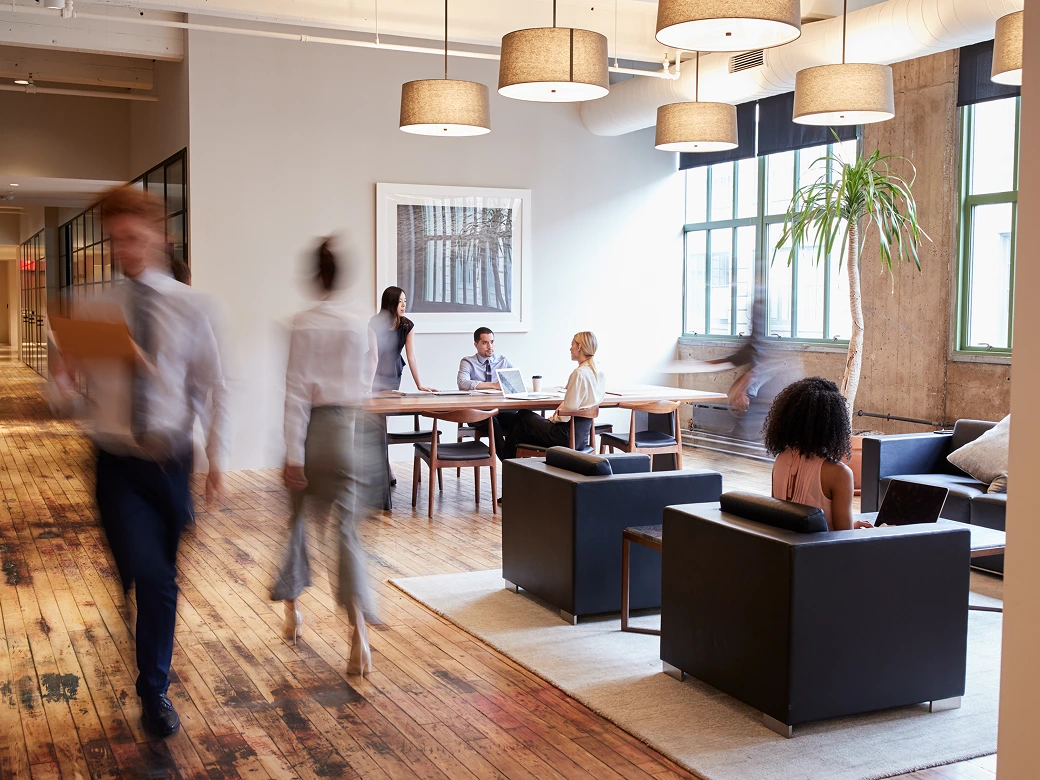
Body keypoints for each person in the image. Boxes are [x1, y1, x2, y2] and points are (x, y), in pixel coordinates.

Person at [51, 187, 228, 738]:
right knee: (150, 575)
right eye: (116, 239)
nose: (123, 248)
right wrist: (60, 377)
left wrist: (217, 457)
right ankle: (154, 691)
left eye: (133, 237)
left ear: (158, 236)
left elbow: (211, 386)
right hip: (117, 462)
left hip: (171, 463)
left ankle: (151, 673)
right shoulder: (92, 304)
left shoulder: (193, 305)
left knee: (157, 578)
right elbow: (65, 400)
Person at [271, 238, 375, 676]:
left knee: (297, 524)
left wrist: (293, 454)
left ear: (315, 277)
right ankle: (359, 637)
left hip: (315, 432)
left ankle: (293, 613)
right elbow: (366, 384)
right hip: (351, 433)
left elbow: (296, 392)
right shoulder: (359, 327)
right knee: (346, 533)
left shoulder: (301, 325)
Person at [763, 376, 872, 532]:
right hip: (822, 554)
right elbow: (845, 537)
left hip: (787, 551)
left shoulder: (781, 459)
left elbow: (786, 519)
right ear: (836, 424)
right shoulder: (839, 474)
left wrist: (853, 524)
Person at [502, 332, 605, 460]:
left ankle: (507, 460)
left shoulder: (579, 374)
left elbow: (567, 410)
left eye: (572, 344)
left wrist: (554, 418)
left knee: (522, 415)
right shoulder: (598, 371)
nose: (570, 348)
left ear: (579, 347)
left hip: (565, 436)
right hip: (581, 438)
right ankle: (514, 461)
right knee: (521, 428)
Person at [457, 327, 517, 453]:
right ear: (476, 344)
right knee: (492, 420)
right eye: (485, 343)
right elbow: (462, 383)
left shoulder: (502, 361)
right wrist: (494, 385)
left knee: (520, 418)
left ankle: (517, 458)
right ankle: (508, 461)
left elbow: (517, 382)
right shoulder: (468, 362)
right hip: (476, 412)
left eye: (492, 342)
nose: (490, 346)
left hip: (500, 411)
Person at [368, 286, 435, 392]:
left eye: (405, 301)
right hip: (372, 371)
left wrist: (419, 386)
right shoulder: (374, 323)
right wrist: (368, 387)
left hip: (393, 371)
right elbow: (373, 357)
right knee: (371, 404)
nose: (404, 305)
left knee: (390, 404)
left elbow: (411, 357)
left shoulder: (407, 326)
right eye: (399, 301)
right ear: (390, 303)